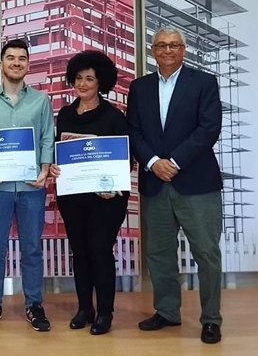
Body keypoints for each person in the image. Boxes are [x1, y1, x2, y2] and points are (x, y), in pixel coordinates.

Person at [127, 27, 223, 344]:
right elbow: (134, 131)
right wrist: (154, 162)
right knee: (158, 253)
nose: (168, 50)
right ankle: (167, 311)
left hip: (197, 182)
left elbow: (208, 129)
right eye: (162, 45)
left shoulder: (204, 83)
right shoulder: (139, 88)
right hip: (155, 182)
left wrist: (175, 162)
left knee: (207, 253)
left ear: (184, 49)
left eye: (175, 45)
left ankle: (211, 319)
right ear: (153, 50)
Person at [0, 39, 54, 331]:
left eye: (22, 58)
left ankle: (34, 303)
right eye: (11, 58)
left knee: (31, 248)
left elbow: (46, 136)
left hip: (32, 186)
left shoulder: (41, 100)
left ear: (28, 65)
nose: (16, 63)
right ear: (1, 64)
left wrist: (45, 168)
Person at [48, 50, 129, 335]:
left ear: (101, 82)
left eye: (90, 79)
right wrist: (56, 168)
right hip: (73, 196)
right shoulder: (66, 115)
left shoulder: (114, 117)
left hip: (106, 200)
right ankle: (85, 308)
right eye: (79, 78)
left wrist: (113, 186)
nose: (83, 84)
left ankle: (105, 312)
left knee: (99, 250)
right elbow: (60, 152)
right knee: (79, 252)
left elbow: (125, 159)